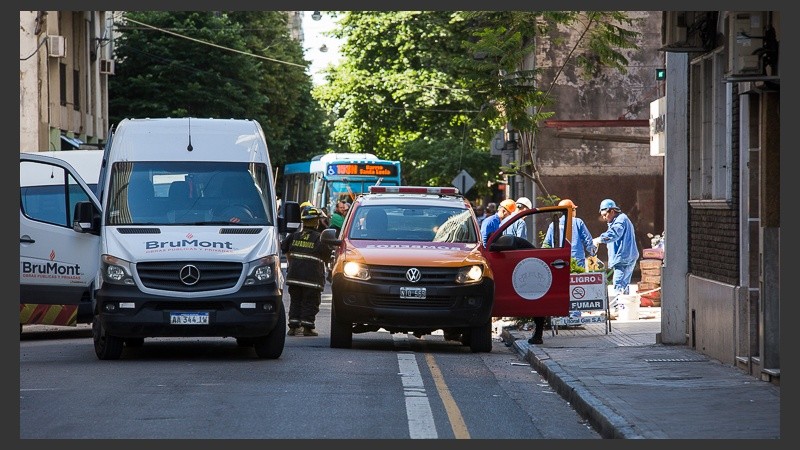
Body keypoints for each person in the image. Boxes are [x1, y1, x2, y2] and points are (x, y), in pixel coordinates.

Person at [281, 206, 331, 336]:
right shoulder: (320, 239)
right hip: (312, 279)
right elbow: (327, 257)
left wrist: (292, 262)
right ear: (316, 221)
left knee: (295, 301)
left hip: (294, 276)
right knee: (310, 302)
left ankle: (293, 327)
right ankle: (308, 328)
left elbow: (284, 248)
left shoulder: (294, 236)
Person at [592, 198, 640, 302]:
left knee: (619, 284)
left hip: (623, 258)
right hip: (626, 257)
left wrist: (599, 239)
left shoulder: (621, 220)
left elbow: (614, 234)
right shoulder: (618, 220)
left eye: (605, 214)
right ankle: (624, 307)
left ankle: (620, 306)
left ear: (612, 211)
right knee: (624, 284)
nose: (604, 218)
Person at [543, 199, 597, 269]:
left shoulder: (553, 225)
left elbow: (546, 245)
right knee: (576, 279)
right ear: (572, 210)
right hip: (577, 260)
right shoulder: (578, 222)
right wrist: (593, 252)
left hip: (558, 261)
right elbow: (588, 240)